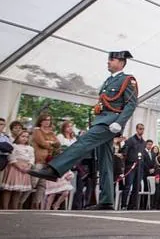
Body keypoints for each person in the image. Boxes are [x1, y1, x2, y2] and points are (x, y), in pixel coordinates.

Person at [29, 51, 138, 210]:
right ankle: (107, 200)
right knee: (105, 161)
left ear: (121, 62)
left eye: (112, 59)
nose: (108, 62)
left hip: (110, 123)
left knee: (84, 142)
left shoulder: (128, 80)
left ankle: (55, 168)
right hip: (101, 120)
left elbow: (131, 103)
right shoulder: (109, 81)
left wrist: (120, 122)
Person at [1, 129, 34, 209]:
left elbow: (32, 158)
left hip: (25, 169)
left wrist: (29, 166)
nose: (25, 138)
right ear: (18, 137)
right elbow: (11, 157)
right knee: (9, 189)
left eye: (27, 137)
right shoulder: (14, 146)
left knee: (18, 190)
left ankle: (14, 207)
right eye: (22, 136)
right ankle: (5, 207)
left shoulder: (30, 148)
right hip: (14, 169)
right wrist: (18, 166)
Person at [120, 123, 146, 210]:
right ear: (136, 129)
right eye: (139, 128)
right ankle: (123, 205)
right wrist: (123, 165)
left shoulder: (143, 142)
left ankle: (133, 205)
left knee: (137, 186)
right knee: (128, 185)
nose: (141, 130)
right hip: (130, 165)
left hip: (139, 166)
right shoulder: (130, 140)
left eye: (142, 129)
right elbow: (124, 152)